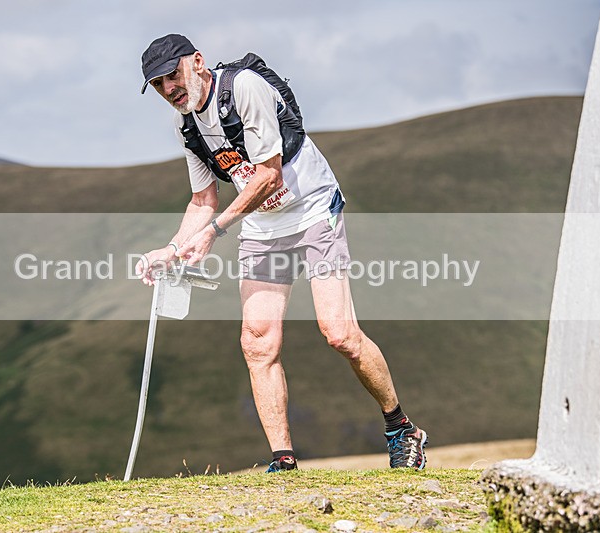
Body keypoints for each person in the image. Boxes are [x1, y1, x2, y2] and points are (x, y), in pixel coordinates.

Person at [137, 34, 427, 471]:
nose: (168, 89)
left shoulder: (244, 88)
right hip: (261, 226)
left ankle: (402, 428)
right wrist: (173, 249)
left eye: (172, 75)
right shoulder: (189, 128)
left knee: (339, 333)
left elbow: (268, 176)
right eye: (158, 85)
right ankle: (284, 461)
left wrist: (215, 232)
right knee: (257, 342)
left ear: (197, 62)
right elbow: (202, 201)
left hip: (313, 210)